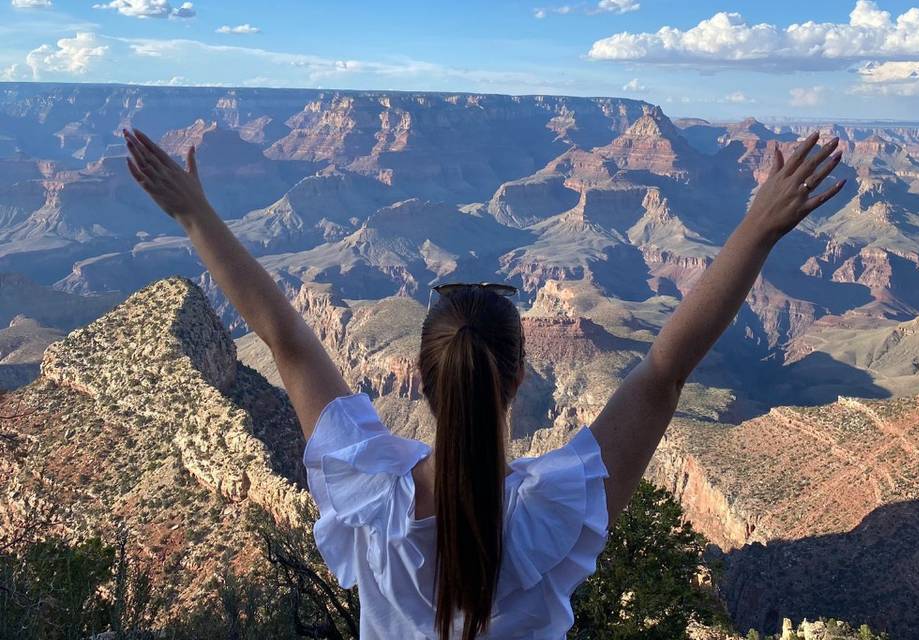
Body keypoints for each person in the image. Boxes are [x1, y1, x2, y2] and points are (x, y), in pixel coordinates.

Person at [124, 128, 845, 640]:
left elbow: (285, 342)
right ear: (520, 379)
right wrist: (757, 229)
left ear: (419, 379)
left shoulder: (366, 493)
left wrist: (193, 213)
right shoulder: (551, 518)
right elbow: (664, 371)